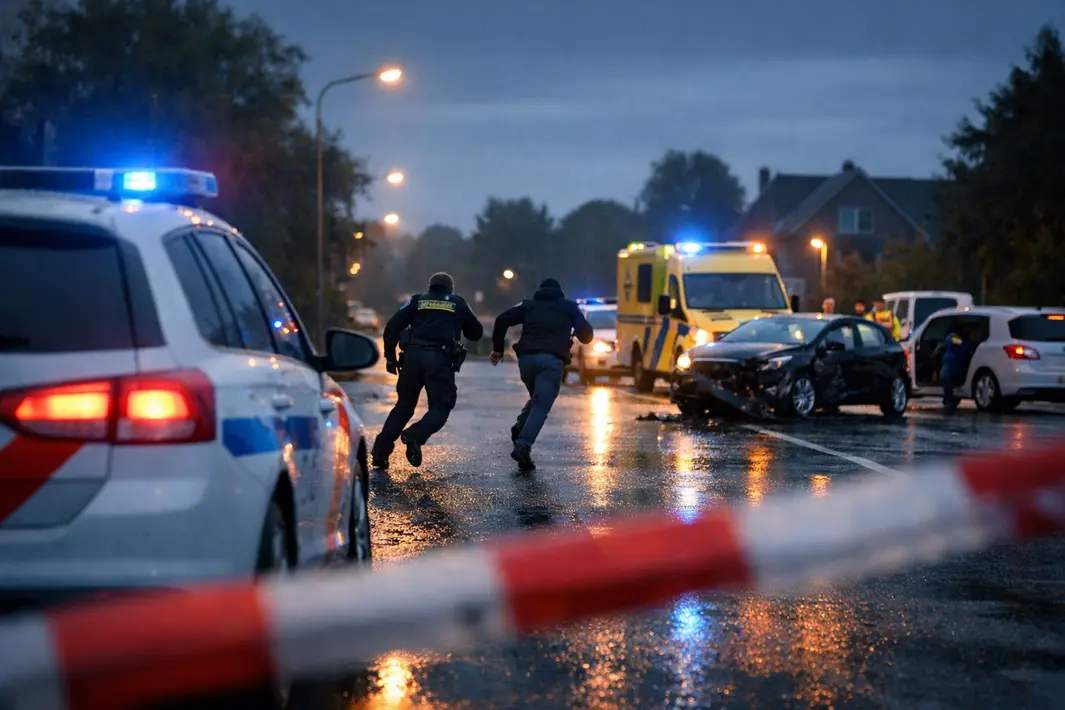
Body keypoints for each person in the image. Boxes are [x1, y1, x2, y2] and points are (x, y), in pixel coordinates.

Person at [372, 272, 483, 469]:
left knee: (403, 407)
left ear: (430, 287)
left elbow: (391, 327)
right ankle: (415, 434)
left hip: (412, 358)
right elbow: (476, 333)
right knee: (441, 407)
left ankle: (380, 453)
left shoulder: (417, 301)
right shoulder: (458, 303)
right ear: (450, 289)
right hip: (439, 360)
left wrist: (390, 357)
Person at [489, 278, 593, 471]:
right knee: (542, 404)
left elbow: (502, 319)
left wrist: (498, 349)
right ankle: (523, 445)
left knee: (537, 399)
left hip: (526, 360)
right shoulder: (569, 307)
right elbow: (586, 336)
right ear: (560, 293)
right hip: (551, 360)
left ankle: (521, 426)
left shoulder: (528, 306)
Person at [933, 327, 977, 413]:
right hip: (955, 364)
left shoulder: (951, 339)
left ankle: (948, 400)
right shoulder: (956, 339)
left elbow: (942, 347)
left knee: (946, 381)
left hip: (950, 364)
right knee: (948, 381)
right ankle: (949, 400)